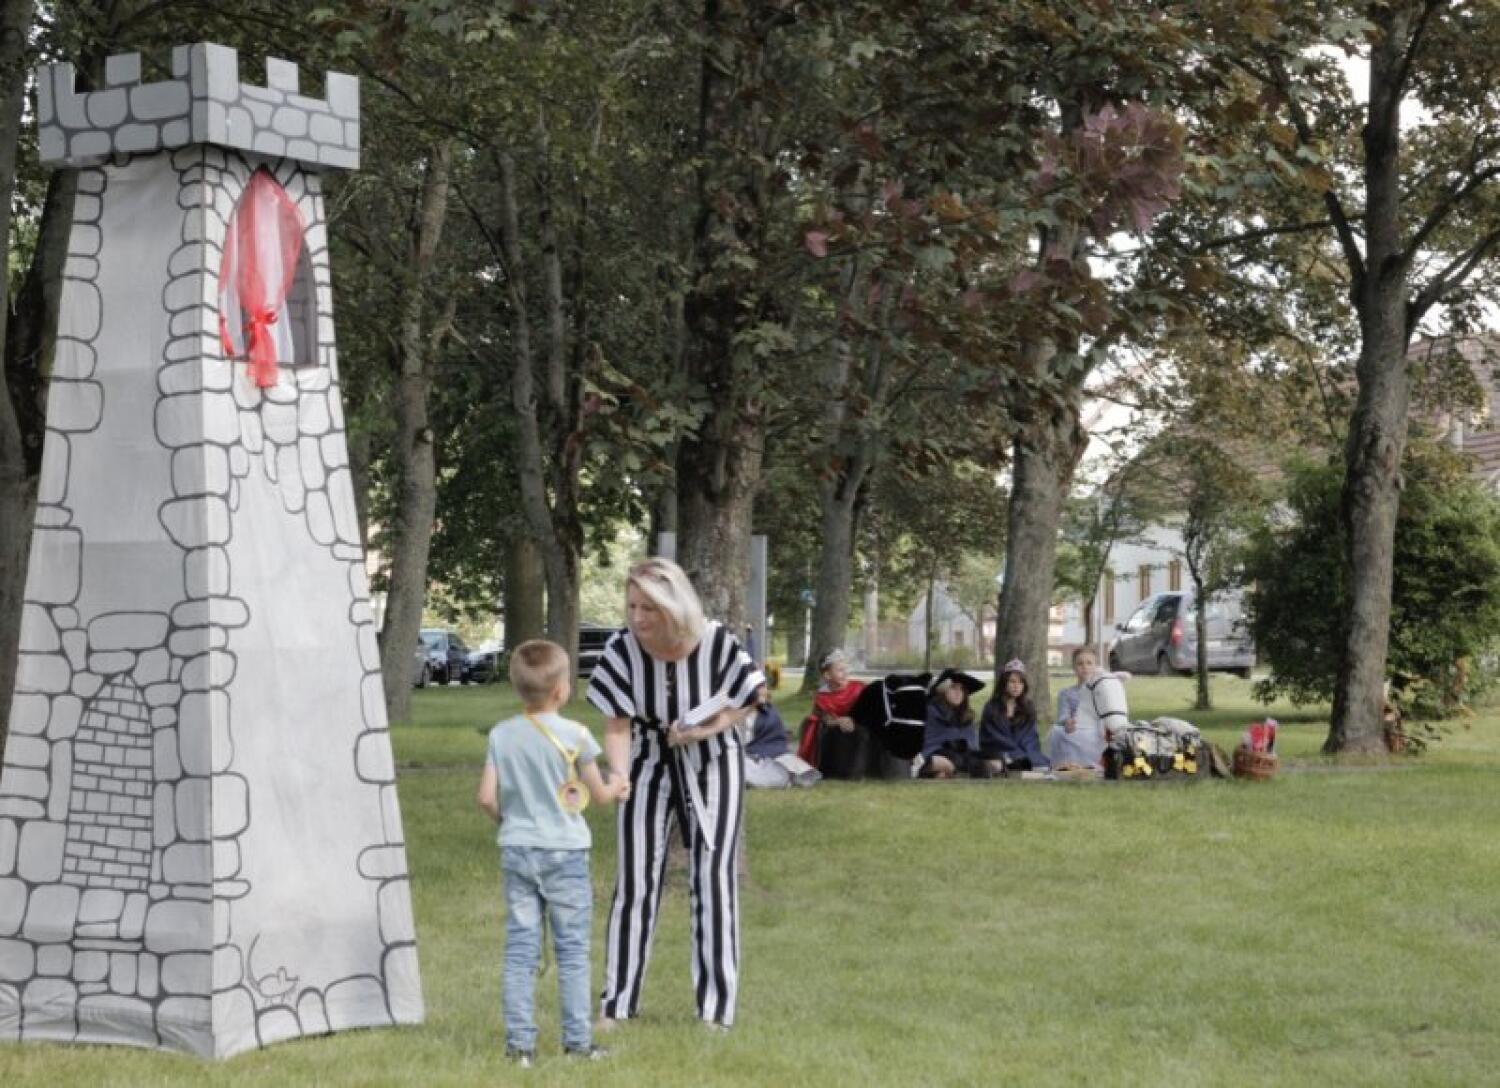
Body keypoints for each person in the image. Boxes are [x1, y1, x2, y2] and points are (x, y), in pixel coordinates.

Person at [586, 557, 764, 1030]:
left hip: (713, 762)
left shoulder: (716, 643)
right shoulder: (622, 649)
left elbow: (750, 697)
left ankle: (716, 1011)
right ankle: (616, 1005)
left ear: (674, 606)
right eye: (632, 606)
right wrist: (619, 775)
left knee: (713, 879)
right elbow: (617, 724)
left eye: (649, 608)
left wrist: (705, 729)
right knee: (635, 882)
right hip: (646, 760)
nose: (638, 617)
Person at [476, 640, 629, 1067]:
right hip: (566, 854)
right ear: (561, 690)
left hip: (518, 850)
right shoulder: (576, 735)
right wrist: (619, 784)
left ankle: (519, 1047)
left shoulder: (501, 734)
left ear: (516, 687)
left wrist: (510, 823)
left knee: (520, 950)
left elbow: (486, 797)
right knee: (572, 951)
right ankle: (577, 1043)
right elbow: (600, 796)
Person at [1047, 647, 1130, 769]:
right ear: (1074, 668)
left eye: (1089, 663)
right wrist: (1067, 722)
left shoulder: (1102, 689)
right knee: (1057, 732)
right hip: (1076, 729)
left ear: (1095, 666)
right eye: (1080, 664)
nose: (1085, 667)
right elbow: (1063, 715)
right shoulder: (1066, 693)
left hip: (1097, 729)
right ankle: (1069, 764)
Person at [796, 649, 868, 775]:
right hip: (836, 735)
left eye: (845, 669)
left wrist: (853, 718)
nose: (845, 673)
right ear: (827, 675)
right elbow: (823, 718)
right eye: (840, 670)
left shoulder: (858, 688)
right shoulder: (823, 697)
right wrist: (837, 721)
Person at [743, 682, 821, 788]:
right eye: (758, 688)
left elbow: (777, 740)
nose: (763, 691)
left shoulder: (770, 712)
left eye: (764, 687)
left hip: (769, 755)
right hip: (743, 756)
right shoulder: (732, 713)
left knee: (782, 771)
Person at [979, 659, 1050, 774]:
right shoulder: (991, 707)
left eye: (1020, 682)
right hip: (1000, 750)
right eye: (1012, 681)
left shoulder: (1028, 707)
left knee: (1041, 763)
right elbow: (991, 737)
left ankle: (1018, 763)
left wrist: (1023, 752)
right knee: (999, 760)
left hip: (1024, 751)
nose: (1016, 686)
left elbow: (1030, 736)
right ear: (1004, 683)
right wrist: (1014, 750)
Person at [920, 668, 990, 778]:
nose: (958, 692)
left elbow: (972, 746)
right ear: (943, 690)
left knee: (989, 762)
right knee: (948, 762)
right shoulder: (929, 711)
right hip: (935, 756)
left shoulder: (966, 717)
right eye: (953, 687)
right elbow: (927, 746)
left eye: (962, 689)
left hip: (963, 758)